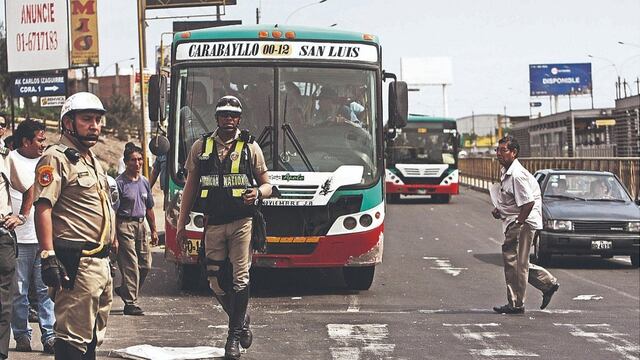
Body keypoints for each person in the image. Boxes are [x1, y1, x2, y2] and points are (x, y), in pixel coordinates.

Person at [177, 95, 272, 360]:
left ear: (239, 119)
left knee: (240, 277)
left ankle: (233, 339)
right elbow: (190, 187)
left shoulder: (251, 147)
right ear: (216, 117)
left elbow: (268, 184)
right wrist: (182, 224)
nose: (228, 119)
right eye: (223, 115)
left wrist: (258, 192)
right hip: (213, 223)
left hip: (243, 221)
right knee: (215, 280)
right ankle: (241, 319)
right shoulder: (201, 146)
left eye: (233, 115)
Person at [33, 92, 115, 360]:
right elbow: (43, 207)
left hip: (99, 262)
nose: (95, 126)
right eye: (87, 119)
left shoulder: (90, 159)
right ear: (68, 122)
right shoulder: (55, 157)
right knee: (71, 341)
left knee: (90, 338)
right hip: (77, 263)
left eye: (98, 120)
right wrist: (48, 256)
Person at [491, 136, 559, 314]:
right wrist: (500, 210)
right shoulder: (506, 171)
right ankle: (548, 284)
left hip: (524, 222)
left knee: (515, 263)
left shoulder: (517, 175)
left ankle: (516, 303)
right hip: (517, 220)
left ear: (514, 153)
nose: (499, 153)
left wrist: (518, 224)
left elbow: (528, 203)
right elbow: (513, 199)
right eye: (497, 150)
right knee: (518, 263)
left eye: (503, 150)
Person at [8, 119, 56, 353]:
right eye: (39, 140)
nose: (43, 144)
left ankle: (50, 336)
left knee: (46, 289)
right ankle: (22, 335)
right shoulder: (9, 161)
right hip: (18, 240)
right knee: (18, 292)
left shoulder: (47, 162)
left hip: (43, 239)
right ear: (25, 141)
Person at [114, 144, 158, 316]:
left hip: (141, 225)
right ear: (126, 162)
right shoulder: (120, 183)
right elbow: (114, 211)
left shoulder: (145, 182)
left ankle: (125, 290)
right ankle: (130, 302)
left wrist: (154, 230)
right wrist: (114, 237)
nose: (137, 163)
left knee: (145, 265)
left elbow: (149, 208)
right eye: (133, 160)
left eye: (140, 159)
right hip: (124, 225)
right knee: (130, 265)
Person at [0, 139, 25, 360]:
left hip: (1, 233)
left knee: (3, 296)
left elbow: (29, 188)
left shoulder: (4, 157)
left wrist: (21, 216)